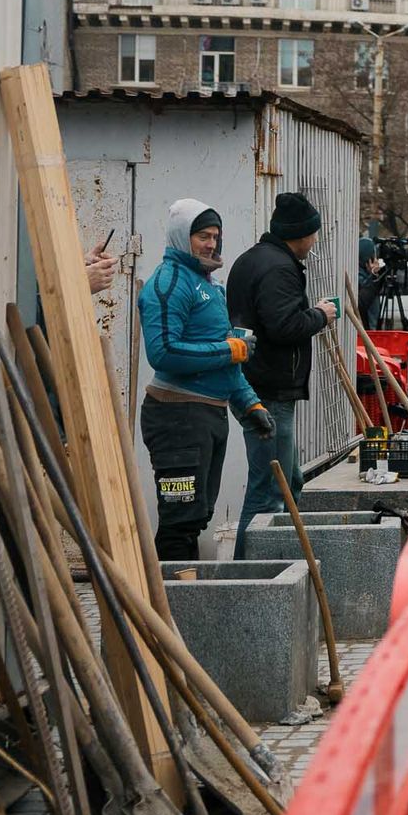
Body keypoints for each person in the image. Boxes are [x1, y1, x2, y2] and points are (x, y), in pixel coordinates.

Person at [138, 200, 273, 561]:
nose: (211, 244)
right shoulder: (167, 285)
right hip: (176, 417)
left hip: (207, 417)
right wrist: (229, 349)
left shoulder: (210, 286)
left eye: (215, 236)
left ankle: (185, 604)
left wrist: (249, 404)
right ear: (183, 237)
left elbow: (226, 365)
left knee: (197, 517)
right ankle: (170, 608)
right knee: (179, 520)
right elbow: (163, 351)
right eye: (202, 236)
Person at [226, 193, 338, 554]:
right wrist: (321, 315)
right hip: (269, 390)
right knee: (270, 488)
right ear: (301, 234)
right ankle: (249, 574)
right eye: (314, 233)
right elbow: (284, 326)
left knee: (289, 480)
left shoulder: (255, 259)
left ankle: (279, 560)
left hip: (259, 384)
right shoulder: (277, 267)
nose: (316, 241)